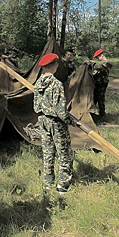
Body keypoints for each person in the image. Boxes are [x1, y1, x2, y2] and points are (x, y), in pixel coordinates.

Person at [34, 53, 79, 194]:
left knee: (47, 151)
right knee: (64, 152)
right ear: (54, 66)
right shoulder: (56, 84)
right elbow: (60, 110)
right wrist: (70, 121)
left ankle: (48, 182)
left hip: (42, 120)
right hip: (56, 122)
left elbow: (35, 106)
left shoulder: (37, 84)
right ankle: (63, 184)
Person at [92, 48, 113, 119]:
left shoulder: (106, 63)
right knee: (95, 97)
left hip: (102, 84)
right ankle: (94, 112)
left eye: (98, 57)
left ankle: (102, 114)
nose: (98, 58)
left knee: (100, 98)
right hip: (98, 83)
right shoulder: (103, 63)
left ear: (102, 55)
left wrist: (91, 63)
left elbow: (97, 66)